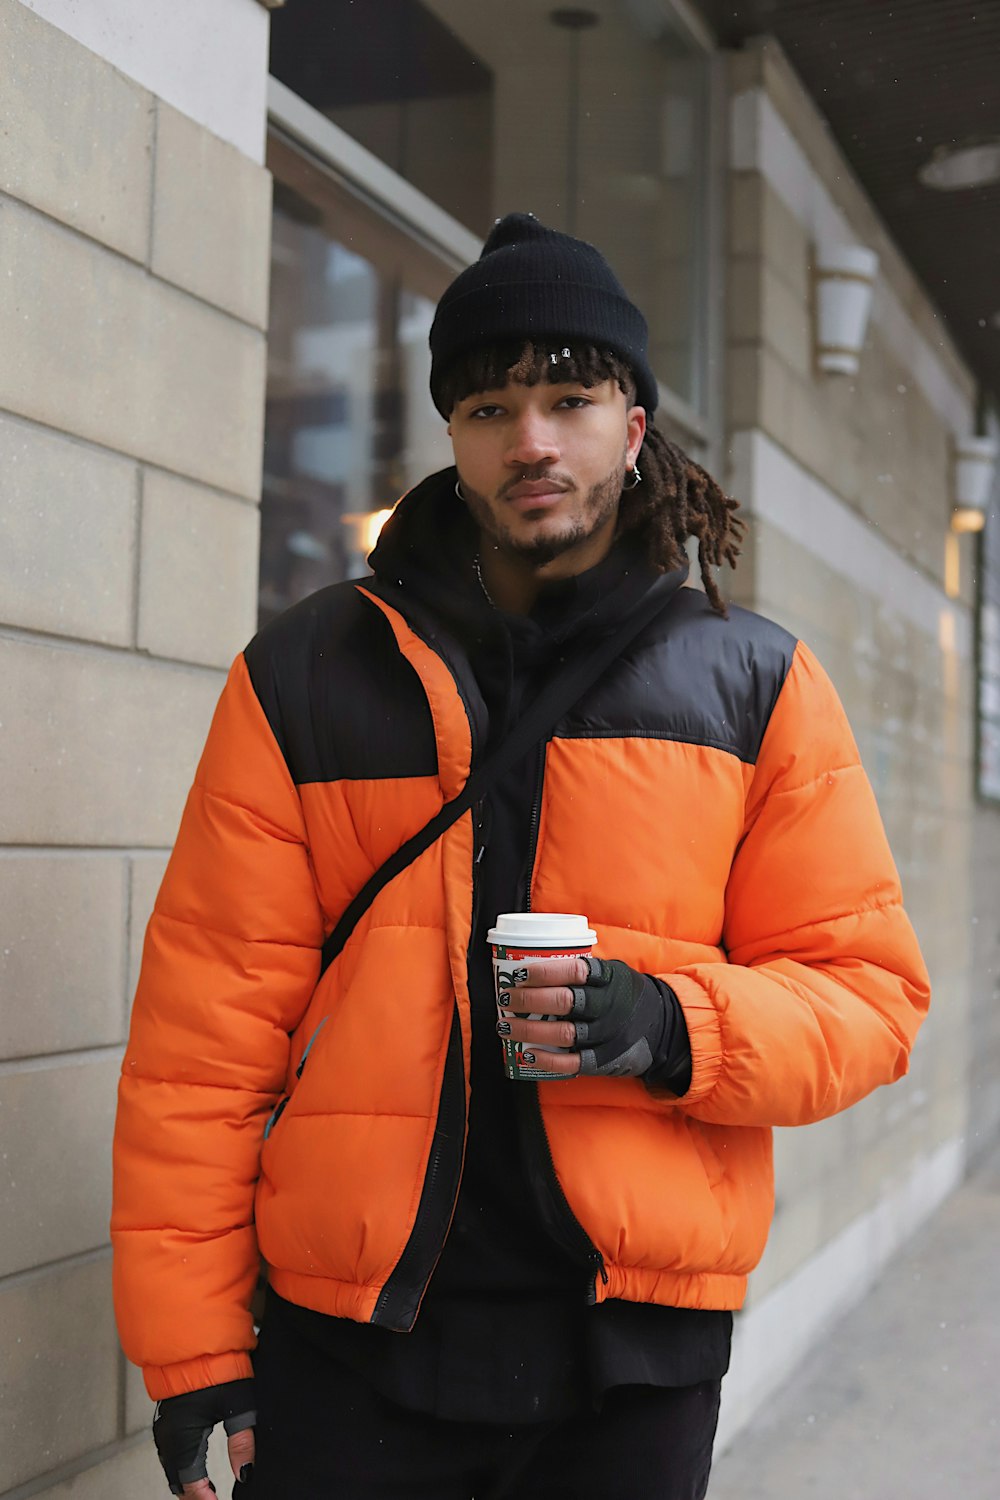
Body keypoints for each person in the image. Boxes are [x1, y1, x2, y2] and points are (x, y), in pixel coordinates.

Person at [112, 213, 930, 1500]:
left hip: (630, 1358)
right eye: (490, 406)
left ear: (635, 423)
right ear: (452, 433)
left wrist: (671, 1024)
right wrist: (194, 1350)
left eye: (568, 396)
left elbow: (871, 998)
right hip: (353, 1342)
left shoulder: (752, 681)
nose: (531, 440)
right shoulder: (310, 671)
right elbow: (203, 1042)